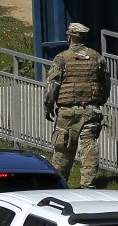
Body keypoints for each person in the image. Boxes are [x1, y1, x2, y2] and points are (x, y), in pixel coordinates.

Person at [44, 22, 111, 189]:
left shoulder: (61, 58)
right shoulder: (97, 57)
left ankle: (59, 184)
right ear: (84, 38)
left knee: (63, 148)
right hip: (91, 111)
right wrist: (100, 101)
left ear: (69, 38)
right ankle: (88, 185)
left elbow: (52, 86)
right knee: (90, 148)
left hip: (67, 113)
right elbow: (106, 83)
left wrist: (48, 107)